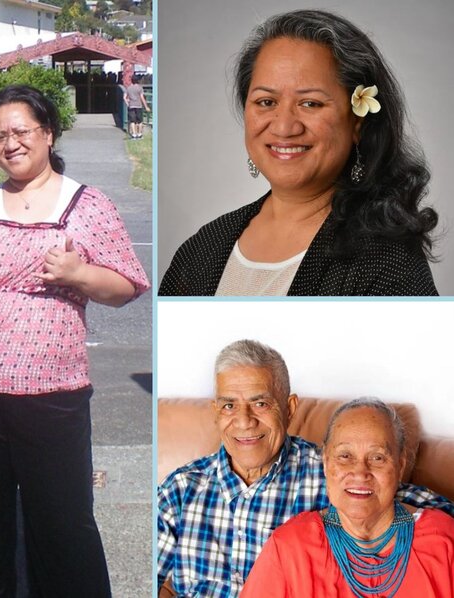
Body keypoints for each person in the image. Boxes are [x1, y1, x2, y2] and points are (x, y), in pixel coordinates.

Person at [0, 84, 150, 597]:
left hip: (50, 391)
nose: (10, 143)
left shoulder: (86, 204)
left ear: (48, 132)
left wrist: (80, 274)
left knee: (63, 523)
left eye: (21, 131)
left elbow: (126, 286)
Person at [159, 9, 438, 296]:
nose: (284, 126)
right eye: (266, 102)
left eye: (311, 104)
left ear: (358, 122)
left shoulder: (388, 262)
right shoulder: (204, 247)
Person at [157, 340, 454, 597]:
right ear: (215, 412)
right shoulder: (181, 489)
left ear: (289, 408)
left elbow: (392, 497)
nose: (244, 421)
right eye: (229, 406)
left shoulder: (332, 471)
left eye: (260, 403)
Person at [241, 398, 454, 597]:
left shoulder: (444, 541)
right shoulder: (289, 548)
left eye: (377, 457)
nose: (360, 472)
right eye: (345, 456)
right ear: (325, 463)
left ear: (400, 466)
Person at [124, 74, 151, 139]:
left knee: (132, 121)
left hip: (131, 106)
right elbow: (142, 98)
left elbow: (124, 97)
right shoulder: (139, 88)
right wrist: (146, 106)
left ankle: (134, 134)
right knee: (139, 121)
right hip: (139, 106)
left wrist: (127, 103)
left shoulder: (129, 88)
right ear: (138, 80)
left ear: (132, 80)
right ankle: (139, 134)